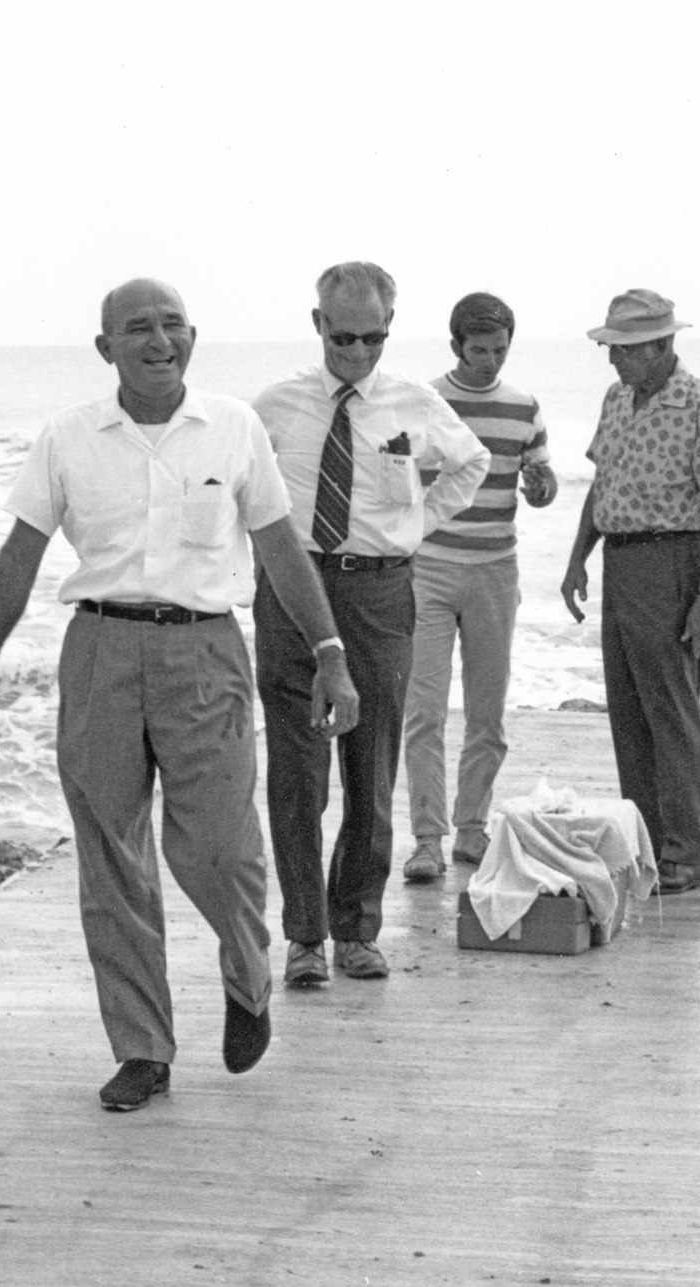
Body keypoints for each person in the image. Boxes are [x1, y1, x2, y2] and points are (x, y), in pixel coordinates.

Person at [0, 279, 359, 1112]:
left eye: (172, 325)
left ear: (194, 339)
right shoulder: (67, 436)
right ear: (107, 348)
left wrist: (330, 655)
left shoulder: (234, 427)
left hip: (204, 651)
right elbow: (19, 560)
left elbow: (280, 548)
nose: (158, 339)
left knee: (221, 846)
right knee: (111, 861)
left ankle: (247, 974)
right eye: (137, 328)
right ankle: (142, 1049)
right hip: (98, 650)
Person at [251, 263, 488, 984]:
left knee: (371, 764)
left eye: (374, 339)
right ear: (318, 324)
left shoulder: (413, 404)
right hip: (294, 591)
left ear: (391, 328)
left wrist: (416, 525)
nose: (358, 353)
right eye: (345, 337)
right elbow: (240, 495)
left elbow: (469, 464)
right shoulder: (275, 407)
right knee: (297, 774)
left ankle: (357, 930)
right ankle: (302, 938)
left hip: (381, 593)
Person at [559, 289, 700, 895]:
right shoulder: (616, 399)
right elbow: (603, 481)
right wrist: (578, 557)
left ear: (663, 346)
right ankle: (647, 847)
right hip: (620, 561)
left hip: (672, 560)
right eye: (611, 349)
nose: (615, 361)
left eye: (626, 351)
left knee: (672, 711)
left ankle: (685, 854)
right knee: (628, 710)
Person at [400, 292, 558, 881]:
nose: (491, 361)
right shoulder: (428, 402)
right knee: (424, 709)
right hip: (432, 568)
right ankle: (425, 839)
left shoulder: (524, 406)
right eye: (479, 350)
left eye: (500, 350)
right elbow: (404, 480)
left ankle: (472, 827)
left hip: (496, 568)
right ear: (456, 347)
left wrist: (542, 487)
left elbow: (540, 488)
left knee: (488, 713)